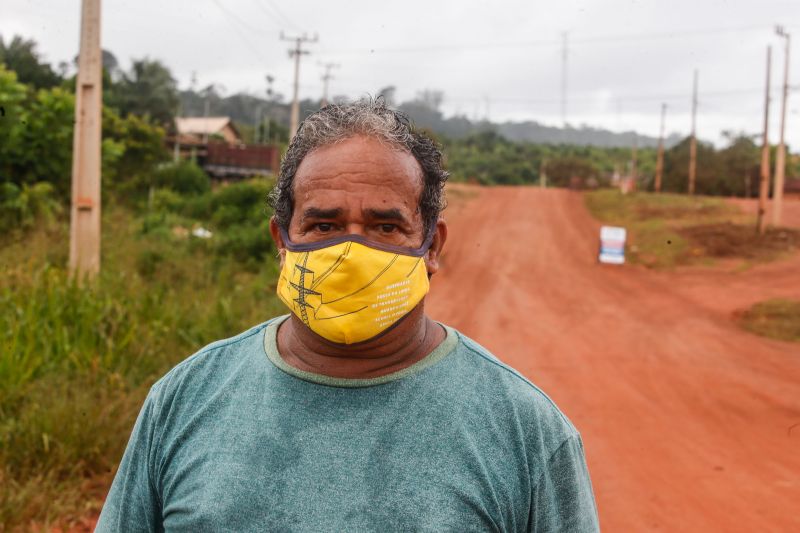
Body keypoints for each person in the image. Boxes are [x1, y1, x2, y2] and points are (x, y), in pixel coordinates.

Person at [96, 99, 599, 532]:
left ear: (431, 247)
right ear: (282, 241)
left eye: (385, 226)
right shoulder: (184, 399)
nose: (350, 249)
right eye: (323, 224)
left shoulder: (525, 433)